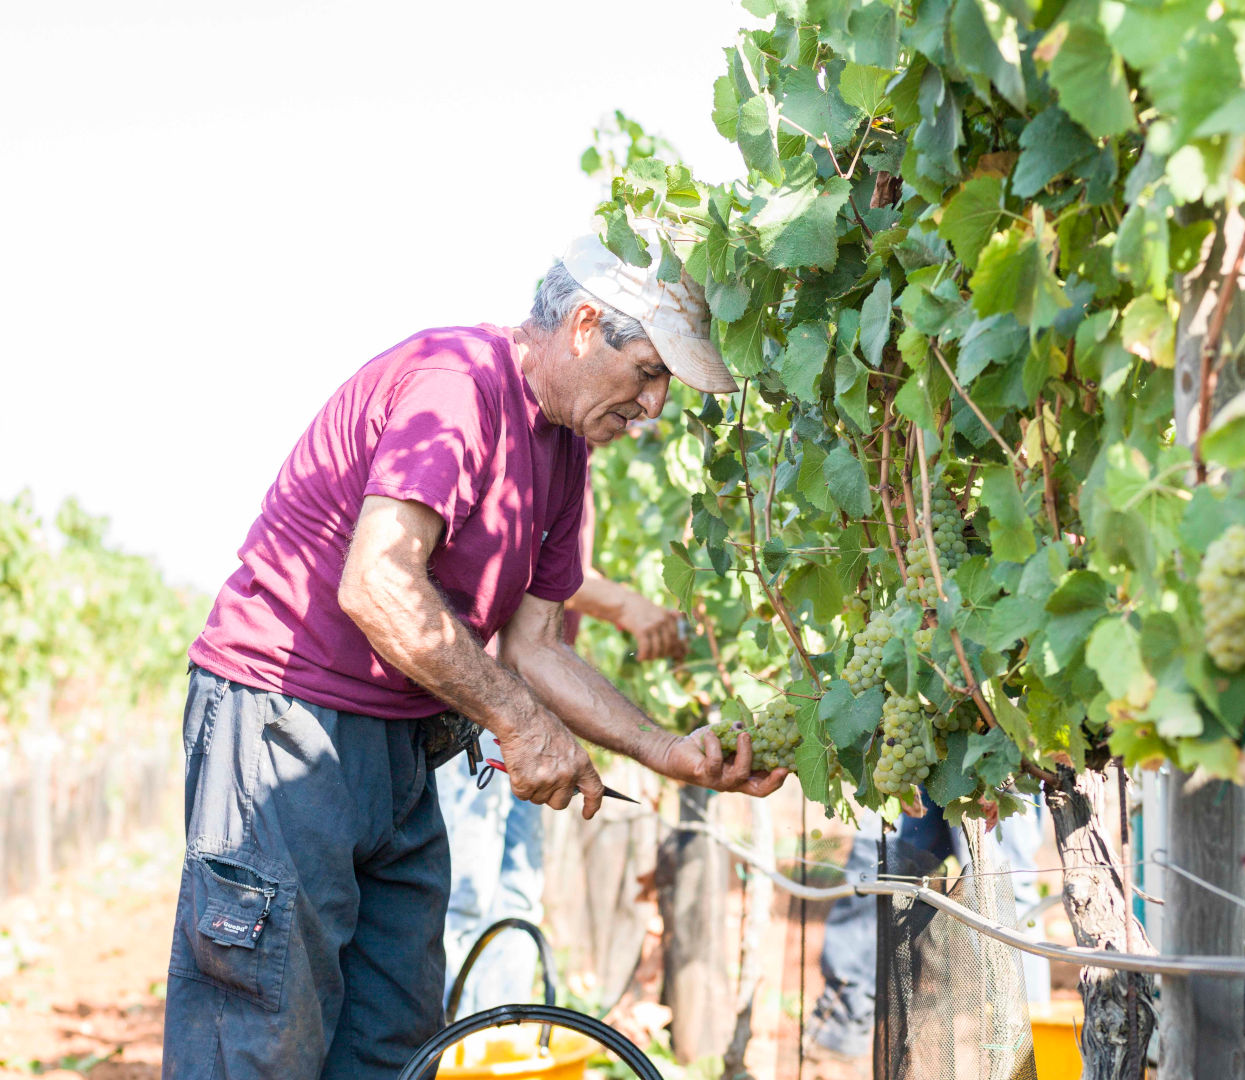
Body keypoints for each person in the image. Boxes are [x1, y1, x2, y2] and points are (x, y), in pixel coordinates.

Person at [164, 227, 786, 1079]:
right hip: (285, 724)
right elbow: (377, 583)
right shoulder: (458, 383)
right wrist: (521, 725)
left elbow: (536, 647)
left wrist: (662, 748)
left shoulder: (566, 456)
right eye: (648, 373)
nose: (655, 408)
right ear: (583, 325)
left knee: (390, 1037)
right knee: (261, 1039)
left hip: (401, 749)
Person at [437, 420, 687, 1018]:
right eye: (640, 382)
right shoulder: (519, 443)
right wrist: (626, 604)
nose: (643, 412)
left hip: (532, 715)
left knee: (517, 889)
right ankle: (445, 1048)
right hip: (485, 711)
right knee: (465, 890)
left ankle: (498, 1041)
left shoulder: (576, 464)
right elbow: (540, 582)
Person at [805, 796, 1051, 1060]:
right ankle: (842, 1023)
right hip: (919, 760)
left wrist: (992, 770)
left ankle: (1029, 1050)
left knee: (1001, 886)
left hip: (994, 766)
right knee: (876, 868)